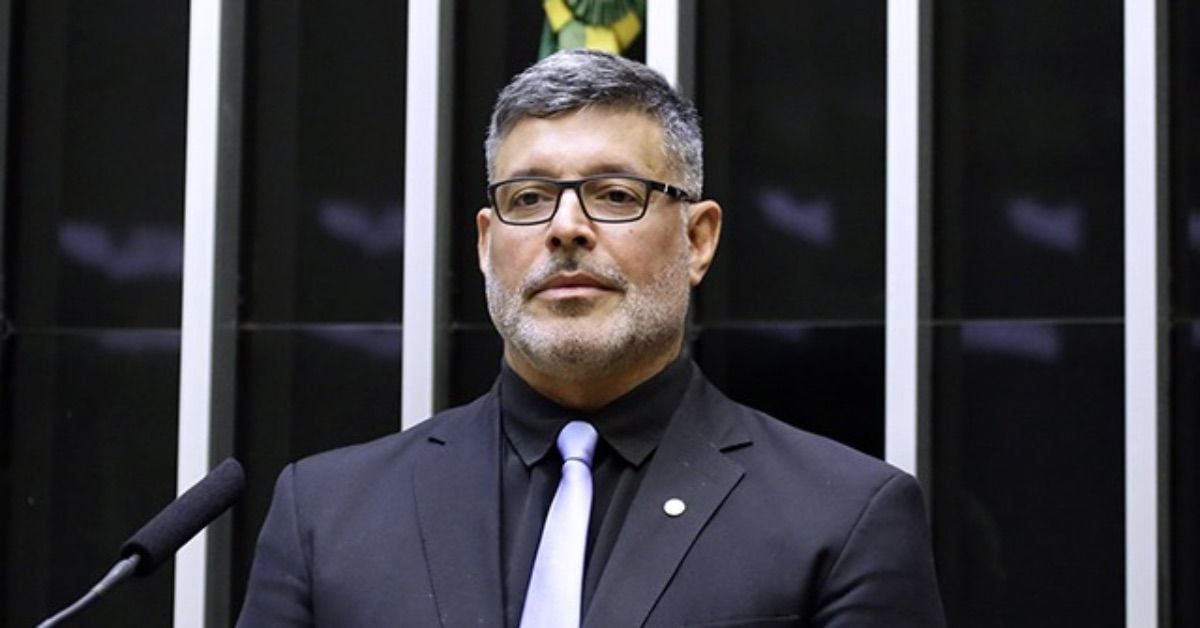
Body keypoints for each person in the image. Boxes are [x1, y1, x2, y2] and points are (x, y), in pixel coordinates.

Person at [237, 49, 945, 627]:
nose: (565, 228)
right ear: (485, 245)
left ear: (698, 240)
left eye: (614, 194)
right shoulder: (325, 515)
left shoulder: (842, 517)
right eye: (528, 198)